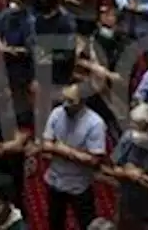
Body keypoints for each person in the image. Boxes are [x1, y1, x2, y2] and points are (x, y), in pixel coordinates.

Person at [41, 84, 107, 230]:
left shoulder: (95, 123)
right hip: (55, 180)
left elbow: (94, 160)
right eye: (65, 99)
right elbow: (46, 144)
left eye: (71, 101)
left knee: (87, 224)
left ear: (83, 102)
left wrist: (64, 151)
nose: (66, 105)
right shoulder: (57, 113)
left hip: (79, 184)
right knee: (55, 222)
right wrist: (73, 154)